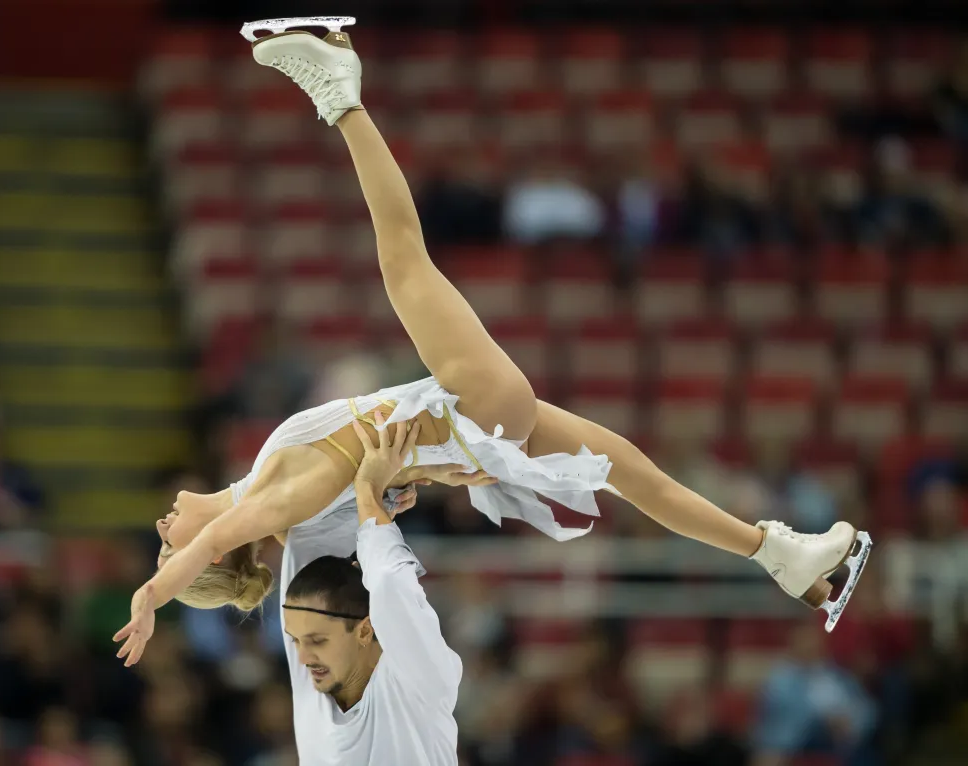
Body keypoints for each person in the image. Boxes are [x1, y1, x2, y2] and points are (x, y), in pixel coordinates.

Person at [113, 22, 869, 666]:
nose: (161, 530)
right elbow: (211, 546)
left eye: (161, 547)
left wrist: (397, 485)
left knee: (640, 479)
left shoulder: (283, 501)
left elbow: (386, 493)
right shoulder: (271, 499)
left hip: (475, 438)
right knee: (402, 255)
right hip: (469, 410)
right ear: (212, 550)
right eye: (165, 547)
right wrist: (150, 596)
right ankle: (339, 95)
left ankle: (778, 554)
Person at [270, 411, 462, 764]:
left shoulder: (418, 678)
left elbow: (389, 581)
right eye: (295, 640)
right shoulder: (320, 669)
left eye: (316, 640)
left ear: (366, 630)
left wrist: (369, 491)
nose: (300, 658)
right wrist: (383, 491)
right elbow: (309, 539)